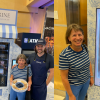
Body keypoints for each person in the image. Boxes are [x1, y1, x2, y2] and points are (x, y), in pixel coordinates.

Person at [59, 24, 94, 100]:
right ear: (69, 38)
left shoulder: (84, 47)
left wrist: (91, 77)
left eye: (79, 35)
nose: (78, 38)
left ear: (83, 36)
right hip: (73, 86)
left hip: (85, 82)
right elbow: (64, 77)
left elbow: (89, 62)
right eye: (74, 35)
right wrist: (71, 95)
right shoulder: (64, 55)